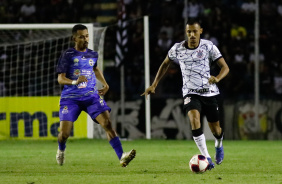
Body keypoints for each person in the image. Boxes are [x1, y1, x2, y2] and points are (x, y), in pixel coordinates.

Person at [141, 19, 229, 170]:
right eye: (189, 32)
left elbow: (225, 67)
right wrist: (154, 84)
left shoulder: (208, 46)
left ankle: (219, 144)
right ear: (186, 32)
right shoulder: (177, 48)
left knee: (216, 130)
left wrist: (217, 78)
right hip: (190, 92)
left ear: (200, 31)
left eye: (195, 31)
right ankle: (207, 158)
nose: (192, 35)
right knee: (194, 120)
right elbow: (165, 64)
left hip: (209, 93)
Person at [56, 24, 136, 167]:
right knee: (64, 134)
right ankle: (61, 149)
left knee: (107, 123)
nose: (85, 39)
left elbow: (95, 68)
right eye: (81, 36)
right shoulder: (67, 55)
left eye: (87, 36)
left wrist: (105, 84)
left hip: (91, 96)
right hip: (71, 98)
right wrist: (75, 81)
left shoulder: (92, 54)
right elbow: (60, 78)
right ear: (74, 38)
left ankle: (122, 157)